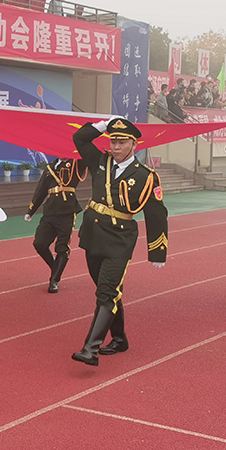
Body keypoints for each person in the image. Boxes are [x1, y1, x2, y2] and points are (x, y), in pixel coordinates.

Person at [71, 117, 168, 366]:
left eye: (122, 142)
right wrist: (103, 124)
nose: (115, 146)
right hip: (93, 236)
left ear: (134, 144)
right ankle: (120, 339)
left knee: (106, 292)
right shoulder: (99, 161)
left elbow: (156, 215)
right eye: (113, 141)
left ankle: (90, 348)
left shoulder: (146, 176)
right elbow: (79, 138)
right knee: (109, 291)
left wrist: (157, 251)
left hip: (119, 239)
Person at [24, 158, 87, 293]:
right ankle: (56, 267)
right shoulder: (50, 168)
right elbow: (41, 190)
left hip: (67, 211)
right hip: (50, 211)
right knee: (39, 243)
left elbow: (87, 156)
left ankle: (54, 280)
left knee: (62, 247)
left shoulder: (76, 163)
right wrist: (31, 210)